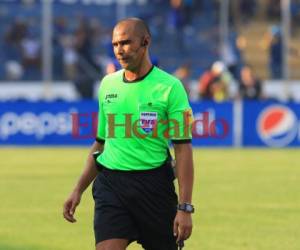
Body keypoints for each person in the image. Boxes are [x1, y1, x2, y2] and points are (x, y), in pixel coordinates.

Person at [63, 18, 194, 250]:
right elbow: (100, 144)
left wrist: (184, 207)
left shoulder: (170, 88)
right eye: (115, 44)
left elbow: (183, 149)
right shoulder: (108, 85)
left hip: (154, 188)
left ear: (145, 42)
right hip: (111, 186)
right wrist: (77, 189)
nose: (119, 51)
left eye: (125, 43)